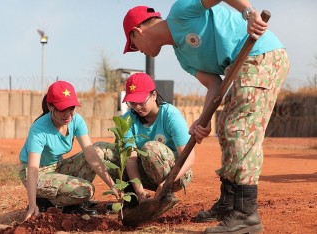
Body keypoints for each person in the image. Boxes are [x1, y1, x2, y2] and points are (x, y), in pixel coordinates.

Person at [122, 1, 289, 234]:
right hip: (236, 69)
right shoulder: (183, 56)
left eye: (133, 44)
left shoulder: (181, 12)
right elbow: (213, 83)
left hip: (259, 54)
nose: (137, 50)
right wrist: (203, 120)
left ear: (138, 31)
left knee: (239, 130)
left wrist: (248, 12)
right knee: (225, 129)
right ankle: (229, 204)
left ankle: (245, 214)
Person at [19, 80, 118, 221]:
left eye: (71, 108)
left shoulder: (76, 120)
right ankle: (48, 201)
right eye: (62, 109)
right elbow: (33, 168)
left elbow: (91, 156)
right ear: (50, 106)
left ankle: (70, 201)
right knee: (86, 190)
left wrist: (112, 186)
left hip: (57, 167)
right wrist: (32, 205)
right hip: (36, 172)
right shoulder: (39, 129)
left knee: (98, 151)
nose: (68, 114)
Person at [94, 72, 194, 207]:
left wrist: (166, 183)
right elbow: (131, 158)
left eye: (141, 102)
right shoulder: (128, 119)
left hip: (176, 174)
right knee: (102, 151)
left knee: (150, 147)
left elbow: (189, 157)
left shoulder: (170, 115)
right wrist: (140, 192)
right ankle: (133, 198)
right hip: (145, 172)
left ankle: (166, 195)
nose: (137, 107)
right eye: (132, 103)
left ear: (154, 95)